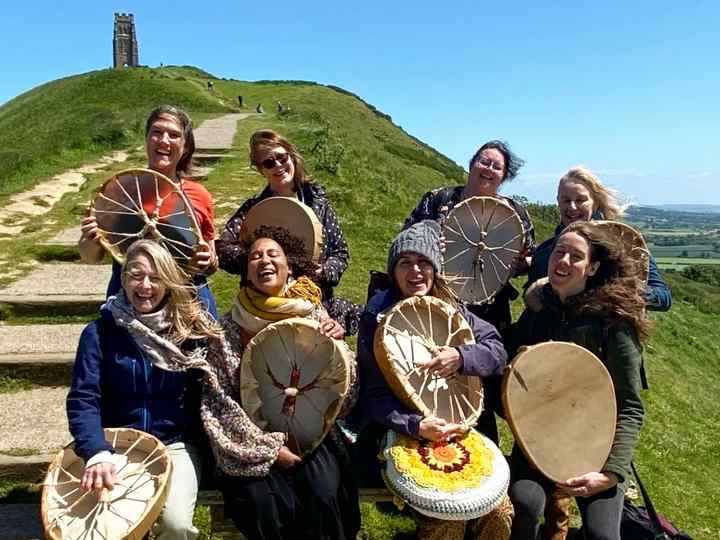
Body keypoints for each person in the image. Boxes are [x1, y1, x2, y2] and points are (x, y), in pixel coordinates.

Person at [355, 221, 513, 540]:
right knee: (446, 517)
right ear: (393, 270)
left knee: (498, 511)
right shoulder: (377, 316)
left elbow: (496, 351)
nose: (415, 271)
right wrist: (416, 425)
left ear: (435, 268)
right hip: (403, 430)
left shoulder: (450, 308)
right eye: (405, 263)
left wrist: (461, 356)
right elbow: (374, 396)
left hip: (459, 427)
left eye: (424, 262)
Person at [201, 225, 360, 540]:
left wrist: (338, 349)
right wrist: (271, 449)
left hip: (312, 433)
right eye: (255, 257)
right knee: (266, 506)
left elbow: (343, 390)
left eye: (273, 254)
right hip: (251, 439)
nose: (264, 261)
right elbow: (218, 400)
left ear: (289, 267)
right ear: (247, 271)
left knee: (324, 494)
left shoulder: (314, 315)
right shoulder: (229, 328)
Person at [67, 239, 224, 539]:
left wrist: (200, 275)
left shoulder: (187, 330)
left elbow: (216, 338)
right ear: (122, 279)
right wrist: (96, 451)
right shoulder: (99, 333)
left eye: (155, 277)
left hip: (175, 444)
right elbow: (83, 399)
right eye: (136, 275)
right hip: (116, 443)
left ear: (169, 281)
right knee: (104, 525)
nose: (145, 285)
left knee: (176, 525)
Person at [504, 221, 648, 540]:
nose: (564, 261)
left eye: (576, 256)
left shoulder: (614, 324)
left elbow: (630, 408)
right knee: (525, 506)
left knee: (602, 535)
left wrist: (611, 473)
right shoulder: (539, 312)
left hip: (598, 447)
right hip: (539, 440)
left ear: (592, 267)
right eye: (559, 252)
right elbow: (511, 371)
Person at [403, 140, 534, 444]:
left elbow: (528, 258)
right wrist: (432, 243)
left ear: (504, 177)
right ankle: (427, 427)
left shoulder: (515, 213)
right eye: (484, 161)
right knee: (435, 365)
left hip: (488, 310)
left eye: (496, 166)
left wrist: (516, 262)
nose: (488, 169)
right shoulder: (438, 199)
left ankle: (478, 438)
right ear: (471, 164)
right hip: (439, 302)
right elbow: (408, 237)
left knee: (480, 373)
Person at [216, 129, 362, 334]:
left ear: (291, 156)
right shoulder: (254, 208)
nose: (277, 165)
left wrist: (324, 271)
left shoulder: (318, 203)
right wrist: (258, 262)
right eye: (268, 163)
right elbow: (222, 248)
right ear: (261, 170)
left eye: (281, 157)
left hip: (314, 303)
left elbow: (340, 252)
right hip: (266, 308)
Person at [78, 105, 219, 318]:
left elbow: (210, 257)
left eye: (174, 135)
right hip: (132, 298)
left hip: (188, 302)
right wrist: (90, 239)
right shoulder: (119, 191)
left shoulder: (199, 195)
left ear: (185, 146)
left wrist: (208, 261)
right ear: (146, 139)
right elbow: (91, 257)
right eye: (157, 132)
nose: (164, 140)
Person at [525, 166, 671, 312]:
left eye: (581, 200)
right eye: (566, 200)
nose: (573, 207)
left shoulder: (624, 244)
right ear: (558, 201)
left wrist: (609, 290)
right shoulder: (545, 250)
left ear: (595, 202)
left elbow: (663, 298)